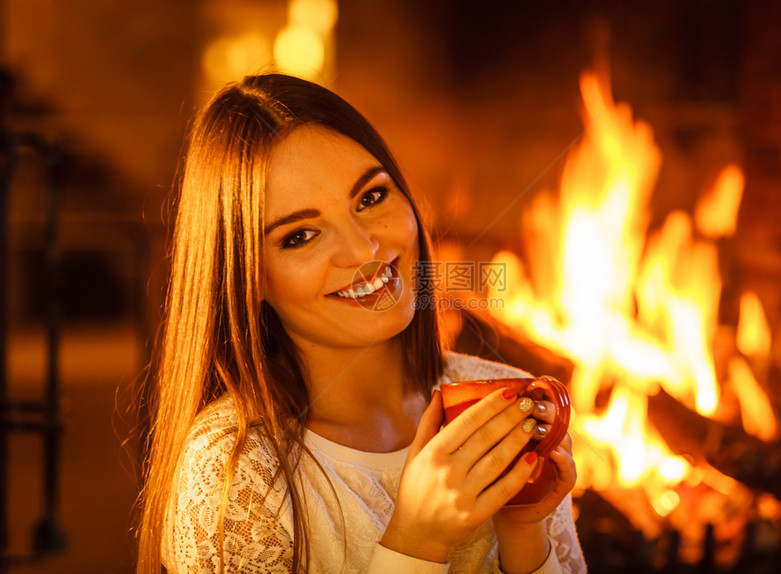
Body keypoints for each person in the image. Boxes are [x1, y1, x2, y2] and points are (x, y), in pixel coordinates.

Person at [135, 73, 586, 574]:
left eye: (370, 198)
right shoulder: (234, 471)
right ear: (247, 277)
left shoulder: (502, 395)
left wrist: (525, 534)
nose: (364, 250)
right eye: (300, 235)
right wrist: (418, 541)